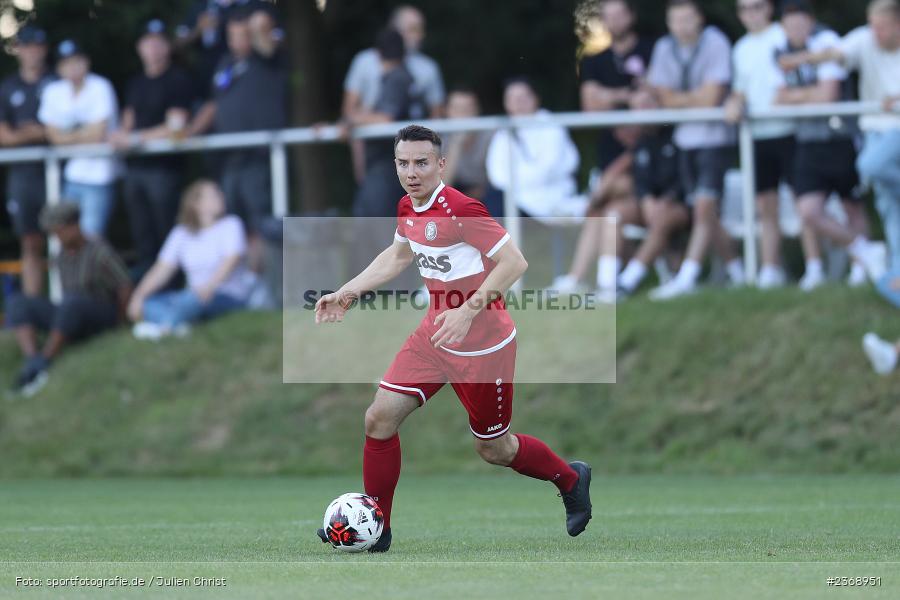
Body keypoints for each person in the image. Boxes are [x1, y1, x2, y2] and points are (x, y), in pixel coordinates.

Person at [313, 124, 592, 553]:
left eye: (421, 162)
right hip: (436, 334)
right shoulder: (408, 205)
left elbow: (514, 262)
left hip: (483, 344)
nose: (412, 171)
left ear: (440, 164)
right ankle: (379, 527)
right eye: (403, 163)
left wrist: (468, 310)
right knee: (379, 418)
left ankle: (570, 478)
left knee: (494, 448)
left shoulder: (462, 208)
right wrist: (348, 291)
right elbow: (398, 255)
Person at [779, 0, 900, 272]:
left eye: (881, 28)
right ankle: (897, 267)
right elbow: (833, 54)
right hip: (875, 129)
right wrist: (800, 60)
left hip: (896, 127)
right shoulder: (865, 38)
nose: (875, 33)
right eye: (872, 26)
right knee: (889, 205)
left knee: (871, 166)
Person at [647, 0, 745, 300]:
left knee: (704, 208)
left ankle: (687, 276)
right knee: (706, 214)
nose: (682, 26)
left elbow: (714, 95)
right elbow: (662, 96)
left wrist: (680, 99)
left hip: (713, 139)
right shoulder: (665, 47)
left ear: (699, 19)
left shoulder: (715, 42)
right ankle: (739, 272)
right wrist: (694, 98)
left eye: (687, 19)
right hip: (684, 140)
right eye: (676, 20)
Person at [187, 6, 287, 271]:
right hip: (229, 158)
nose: (236, 41)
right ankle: (244, 284)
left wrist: (255, 25)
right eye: (231, 35)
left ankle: (266, 286)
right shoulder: (225, 63)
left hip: (258, 157)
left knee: (261, 223)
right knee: (233, 223)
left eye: (242, 34)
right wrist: (190, 131)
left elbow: (264, 29)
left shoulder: (268, 56)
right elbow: (214, 103)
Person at [5, 203, 131, 396]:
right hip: (70, 312)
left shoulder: (100, 252)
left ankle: (45, 361)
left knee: (73, 302)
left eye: (59, 232)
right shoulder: (62, 255)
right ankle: (32, 360)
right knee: (18, 303)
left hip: (99, 312)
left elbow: (124, 287)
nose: (57, 238)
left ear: (74, 226)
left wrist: (121, 322)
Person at [110, 19, 196, 277]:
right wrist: (120, 136)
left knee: (167, 231)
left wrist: (135, 139)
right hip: (136, 169)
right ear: (140, 47)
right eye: (149, 42)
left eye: (160, 42)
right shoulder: (135, 82)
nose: (154, 48)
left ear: (168, 47)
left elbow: (175, 125)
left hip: (164, 170)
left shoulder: (178, 79)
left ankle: (173, 282)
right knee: (142, 235)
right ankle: (148, 287)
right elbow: (128, 121)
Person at [127, 180, 256, 339]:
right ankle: (179, 324)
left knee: (191, 300)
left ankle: (164, 329)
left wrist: (209, 287)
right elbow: (162, 269)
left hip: (226, 295)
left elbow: (232, 259)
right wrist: (139, 296)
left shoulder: (231, 224)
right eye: (214, 195)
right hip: (192, 296)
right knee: (150, 304)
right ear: (197, 204)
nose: (221, 197)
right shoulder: (181, 233)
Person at [724, 0, 794, 289]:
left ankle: (818, 268)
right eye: (744, 8)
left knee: (806, 201)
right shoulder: (740, 48)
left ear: (769, 8)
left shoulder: (784, 35)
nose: (751, 14)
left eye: (756, 6)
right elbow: (740, 89)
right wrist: (733, 102)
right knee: (766, 204)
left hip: (792, 130)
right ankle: (770, 269)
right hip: (758, 135)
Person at [343, 5, 445, 183]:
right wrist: (359, 164)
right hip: (374, 155)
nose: (420, 35)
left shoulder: (428, 68)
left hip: (414, 155)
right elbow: (349, 110)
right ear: (395, 30)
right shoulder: (364, 62)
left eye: (421, 29)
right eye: (414, 29)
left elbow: (437, 118)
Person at [38, 40, 119, 238]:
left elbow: (98, 134)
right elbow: (53, 137)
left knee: (91, 237)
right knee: (65, 234)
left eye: (77, 61)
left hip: (100, 174)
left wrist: (67, 135)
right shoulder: (54, 91)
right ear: (59, 68)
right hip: (72, 174)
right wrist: (85, 133)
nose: (72, 67)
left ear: (86, 62)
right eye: (66, 63)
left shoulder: (101, 86)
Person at [486, 77, 588, 222]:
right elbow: (496, 175)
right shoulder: (503, 132)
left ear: (535, 99)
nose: (518, 103)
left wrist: (515, 178)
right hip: (515, 199)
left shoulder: (551, 127)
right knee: (491, 200)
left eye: (523, 97)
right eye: (512, 98)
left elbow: (547, 169)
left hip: (547, 199)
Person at [579, 0, 655, 195]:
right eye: (608, 16)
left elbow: (657, 97)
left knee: (610, 195)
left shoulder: (653, 50)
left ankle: (592, 204)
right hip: (611, 147)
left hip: (650, 143)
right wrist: (628, 96)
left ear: (631, 16)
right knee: (610, 202)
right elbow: (590, 106)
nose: (614, 21)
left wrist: (606, 95)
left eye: (619, 15)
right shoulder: (593, 60)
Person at [0, 26, 53, 296]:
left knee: (62, 239)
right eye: (27, 46)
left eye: (37, 46)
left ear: (44, 49)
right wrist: (34, 132)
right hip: (23, 177)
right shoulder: (8, 88)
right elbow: (3, 135)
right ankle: (33, 306)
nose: (32, 52)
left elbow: (59, 130)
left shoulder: (56, 82)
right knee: (30, 242)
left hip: (57, 173)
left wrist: (27, 133)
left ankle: (64, 304)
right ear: (18, 50)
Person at [441, 89, 492, 201]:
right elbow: (441, 187)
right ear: (447, 111)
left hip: (485, 194)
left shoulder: (490, 136)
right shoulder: (437, 140)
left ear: (477, 110)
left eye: (468, 109)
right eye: (457, 109)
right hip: (454, 194)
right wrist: (456, 145)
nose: (463, 114)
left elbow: (496, 182)